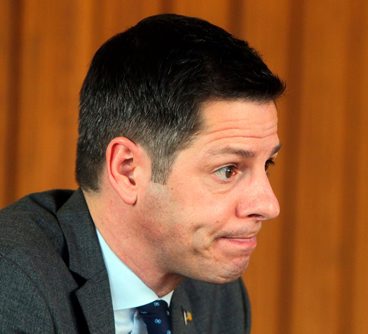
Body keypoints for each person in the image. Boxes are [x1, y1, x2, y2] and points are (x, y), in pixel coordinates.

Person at [0, 13, 284, 333]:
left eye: (267, 165)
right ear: (128, 171)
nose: (269, 205)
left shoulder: (216, 293)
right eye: (228, 170)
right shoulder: (12, 282)